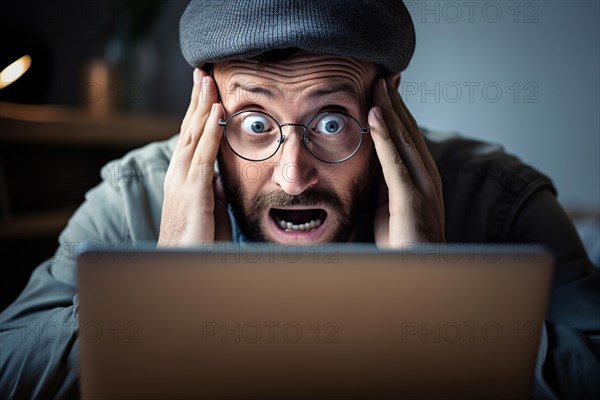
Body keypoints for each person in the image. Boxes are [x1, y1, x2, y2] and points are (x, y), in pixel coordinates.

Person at [1, 1, 598, 398]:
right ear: (205, 115)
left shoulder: (497, 196)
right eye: (255, 122)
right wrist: (161, 301)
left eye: (331, 122)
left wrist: (439, 300)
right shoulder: (135, 197)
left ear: (388, 107)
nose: (293, 177)